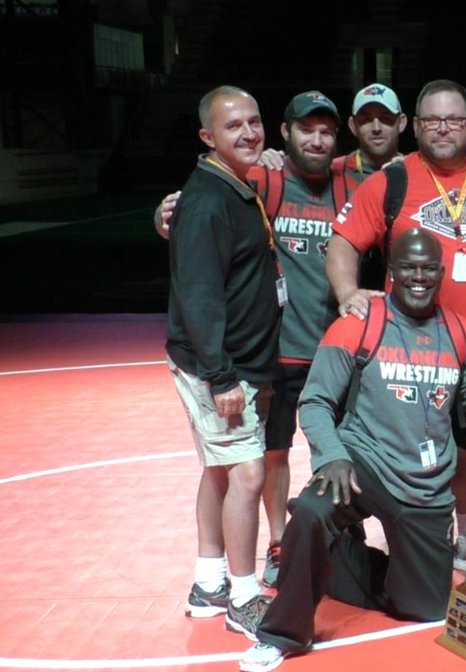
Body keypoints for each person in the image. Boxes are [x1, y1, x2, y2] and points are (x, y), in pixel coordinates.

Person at [238, 229, 466, 672]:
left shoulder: (464, 336)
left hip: (426, 483)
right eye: (407, 268)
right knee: (313, 511)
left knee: (426, 608)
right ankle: (282, 633)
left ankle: (338, 557)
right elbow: (316, 400)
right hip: (362, 464)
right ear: (391, 273)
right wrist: (332, 456)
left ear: (440, 273)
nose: (418, 277)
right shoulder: (359, 324)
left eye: (428, 269)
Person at [157, 90, 350, 588]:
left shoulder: (348, 182)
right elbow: (195, 255)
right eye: (306, 128)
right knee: (257, 464)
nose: (246, 133)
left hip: (328, 350)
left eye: (327, 130)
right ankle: (258, 567)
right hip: (257, 357)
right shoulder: (258, 178)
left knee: (231, 467)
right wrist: (165, 216)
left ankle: (212, 579)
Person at [326, 79, 466, 566]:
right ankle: (381, 542)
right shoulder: (391, 181)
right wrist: (348, 294)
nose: (443, 128)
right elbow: (342, 243)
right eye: (432, 119)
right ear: (416, 126)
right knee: (402, 448)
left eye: (453, 119)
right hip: (407, 352)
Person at [166, 85, 279, 637]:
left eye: (255, 121)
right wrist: (221, 375)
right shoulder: (208, 200)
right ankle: (244, 595)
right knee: (248, 473)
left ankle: (209, 582)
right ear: (208, 137)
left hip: (236, 363)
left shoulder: (236, 186)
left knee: (219, 469)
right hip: (220, 367)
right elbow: (199, 296)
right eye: (233, 126)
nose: (249, 133)